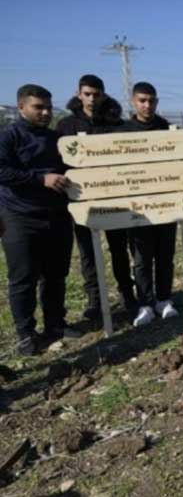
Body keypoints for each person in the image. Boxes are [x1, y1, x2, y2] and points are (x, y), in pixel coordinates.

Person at [0, 84, 82, 356]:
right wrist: (40, 179)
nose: (46, 112)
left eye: (48, 107)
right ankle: (26, 334)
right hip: (20, 217)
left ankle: (56, 326)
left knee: (56, 275)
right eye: (39, 107)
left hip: (57, 216)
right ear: (21, 107)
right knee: (23, 278)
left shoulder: (55, 139)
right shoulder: (9, 138)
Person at [56, 74, 136, 321]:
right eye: (87, 94)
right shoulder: (66, 126)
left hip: (113, 198)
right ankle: (95, 300)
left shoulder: (114, 124)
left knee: (119, 249)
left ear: (103, 95)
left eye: (96, 94)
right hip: (81, 200)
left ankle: (127, 293)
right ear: (79, 95)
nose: (91, 99)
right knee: (88, 252)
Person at [122, 82, 179, 327]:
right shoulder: (123, 131)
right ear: (133, 101)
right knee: (142, 258)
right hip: (137, 208)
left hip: (164, 203)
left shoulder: (165, 127)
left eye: (152, 101)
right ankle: (145, 303)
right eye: (142, 100)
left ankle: (164, 299)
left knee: (165, 255)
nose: (147, 105)